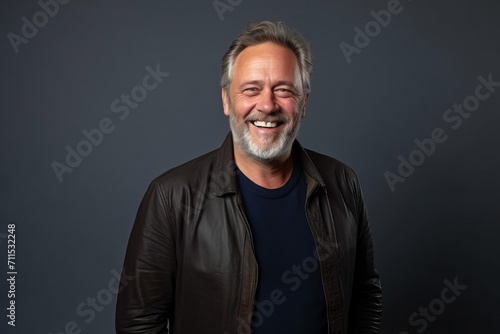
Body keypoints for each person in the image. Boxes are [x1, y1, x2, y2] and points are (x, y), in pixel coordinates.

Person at [115, 21, 382, 334]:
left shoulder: (342, 183)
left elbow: (365, 297)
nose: (267, 105)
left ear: (304, 103)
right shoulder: (171, 197)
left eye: (283, 90)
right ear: (227, 100)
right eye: (251, 89)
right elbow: (139, 323)